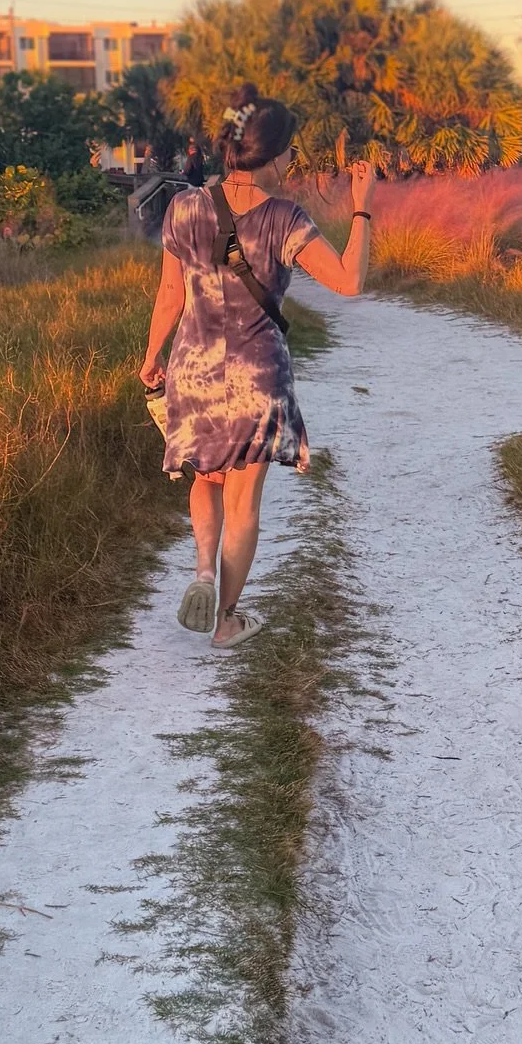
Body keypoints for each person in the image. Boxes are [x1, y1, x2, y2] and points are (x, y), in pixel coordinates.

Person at [140, 84, 376, 648]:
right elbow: (349, 281)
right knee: (243, 505)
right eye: (290, 151)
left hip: (193, 371)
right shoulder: (285, 218)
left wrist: (151, 359)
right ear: (270, 154)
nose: (292, 162)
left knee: (205, 477)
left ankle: (201, 570)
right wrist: (363, 205)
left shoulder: (184, 206)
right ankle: (225, 622)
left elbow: (170, 295)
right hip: (256, 380)